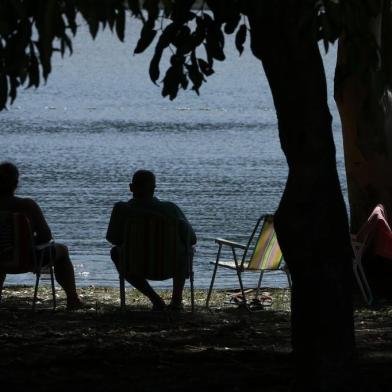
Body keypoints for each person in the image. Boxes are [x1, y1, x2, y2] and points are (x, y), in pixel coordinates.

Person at [106, 169, 197, 311]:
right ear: (154, 189)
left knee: (115, 252)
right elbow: (191, 239)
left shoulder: (121, 210)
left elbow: (113, 239)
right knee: (188, 250)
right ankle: (176, 301)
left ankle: (156, 300)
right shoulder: (170, 209)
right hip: (169, 265)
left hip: (135, 267)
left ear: (131, 188)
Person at [0, 161, 84, 309]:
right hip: (26, 260)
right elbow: (46, 236)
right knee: (62, 250)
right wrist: (28, 241)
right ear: (16, 183)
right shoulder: (27, 205)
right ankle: (72, 299)